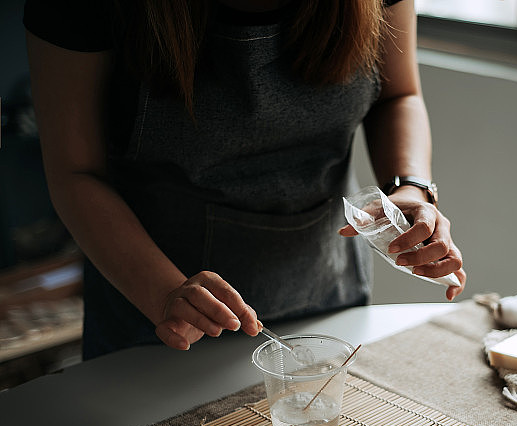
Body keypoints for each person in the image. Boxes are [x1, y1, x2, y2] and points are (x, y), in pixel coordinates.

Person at [24, 0, 466, 359]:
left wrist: (411, 187)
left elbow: (398, 95)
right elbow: (75, 172)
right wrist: (165, 292)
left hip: (327, 292)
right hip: (156, 313)